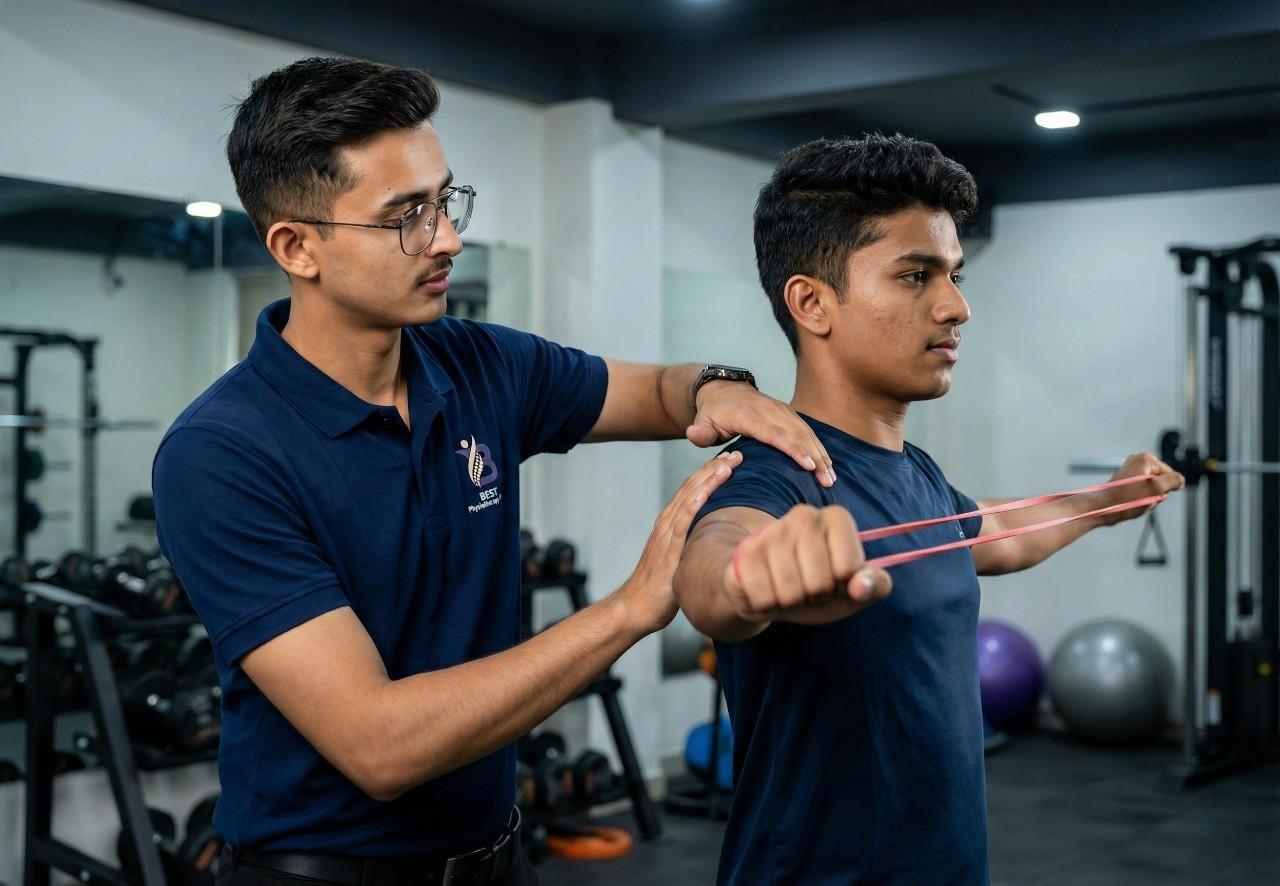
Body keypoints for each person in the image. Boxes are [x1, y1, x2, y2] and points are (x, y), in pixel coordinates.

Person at [151, 56, 836, 885]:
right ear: (297, 247)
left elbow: (656, 392)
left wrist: (718, 387)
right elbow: (380, 745)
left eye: (444, 200)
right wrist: (629, 610)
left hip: (496, 857)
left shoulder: (478, 364)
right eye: (405, 215)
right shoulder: (221, 454)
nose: (446, 237)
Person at [672, 133, 1186, 885]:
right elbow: (714, 567)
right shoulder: (773, 472)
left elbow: (997, 533)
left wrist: (1109, 501)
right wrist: (751, 576)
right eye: (916, 276)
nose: (957, 307)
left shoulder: (913, 471)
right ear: (812, 303)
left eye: (954, 274)